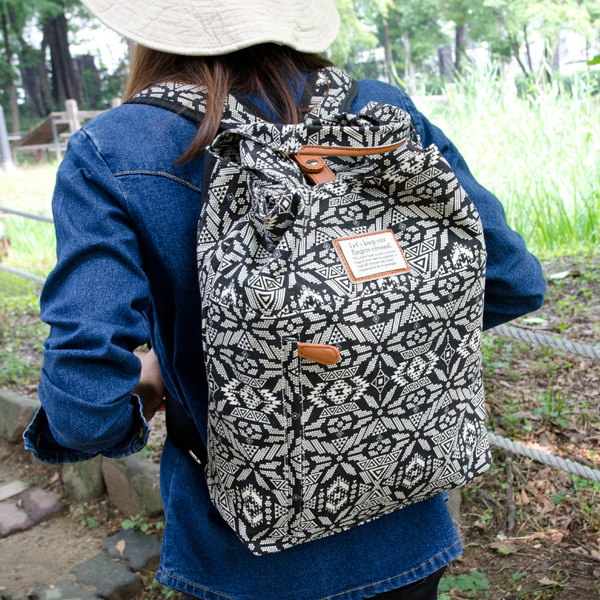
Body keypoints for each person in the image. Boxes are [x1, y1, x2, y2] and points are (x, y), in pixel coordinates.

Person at [24, 1, 546, 598]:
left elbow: (83, 409)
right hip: (408, 515)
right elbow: (511, 280)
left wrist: (161, 378)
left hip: (239, 554)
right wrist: (383, 340)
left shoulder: (116, 149)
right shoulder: (382, 113)